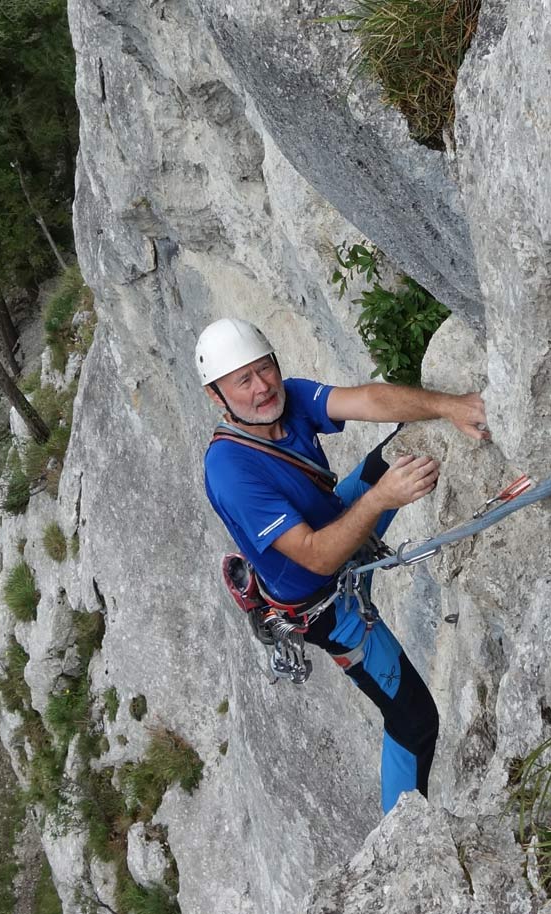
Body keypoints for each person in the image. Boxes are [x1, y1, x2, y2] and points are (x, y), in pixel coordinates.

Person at [198, 317, 488, 814]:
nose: (262, 387)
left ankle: (411, 451)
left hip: (337, 532)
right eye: (242, 380)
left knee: (407, 444)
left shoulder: (287, 399)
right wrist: (381, 498)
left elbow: (368, 400)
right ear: (217, 397)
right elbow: (317, 554)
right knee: (414, 721)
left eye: (263, 368)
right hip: (327, 607)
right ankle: (404, 845)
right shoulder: (230, 471)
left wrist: (450, 407)